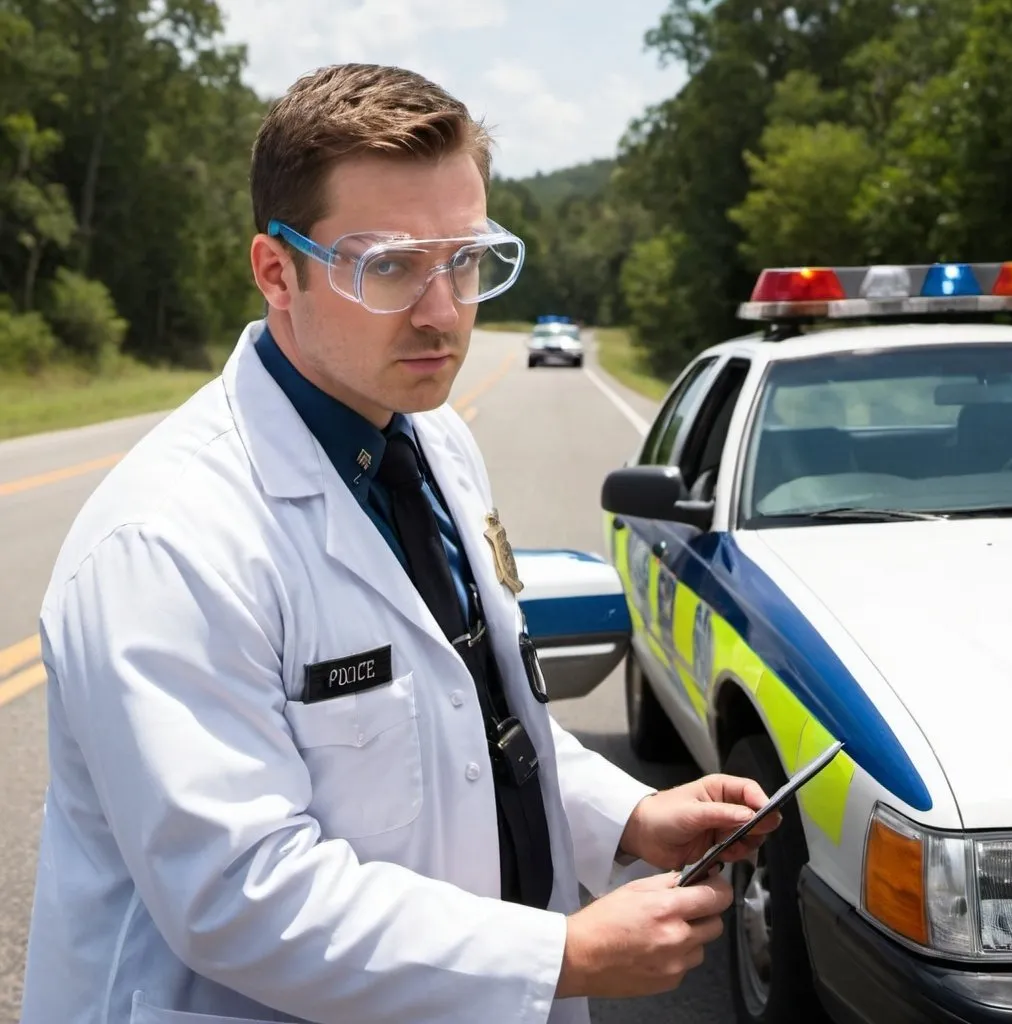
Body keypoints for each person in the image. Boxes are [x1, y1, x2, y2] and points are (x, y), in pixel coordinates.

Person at [19, 63, 780, 1024]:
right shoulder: (168, 541)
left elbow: (476, 722)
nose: (442, 309)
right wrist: (562, 952)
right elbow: (237, 895)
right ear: (275, 271)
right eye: (388, 265)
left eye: (466, 259)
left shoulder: (433, 442)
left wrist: (626, 817)